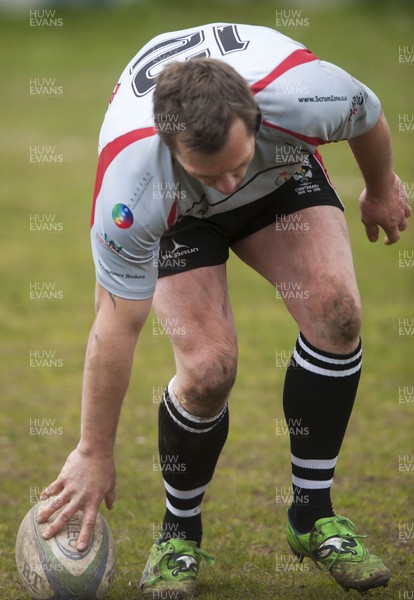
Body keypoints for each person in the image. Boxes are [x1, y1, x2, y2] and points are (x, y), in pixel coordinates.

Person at [37, 23, 410, 598]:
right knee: (209, 369)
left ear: (254, 115)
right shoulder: (133, 184)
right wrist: (94, 451)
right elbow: (115, 325)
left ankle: (313, 518)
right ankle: (178, 534)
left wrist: (380, 187)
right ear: (170, 147)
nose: (229, 184)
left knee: (338, 313)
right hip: (182, 215)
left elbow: (370, 115)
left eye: (235, 165)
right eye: (212, 174)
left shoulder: (306, 94)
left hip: (279, 170)